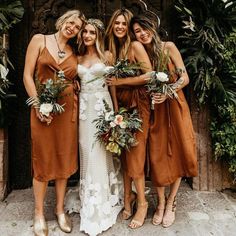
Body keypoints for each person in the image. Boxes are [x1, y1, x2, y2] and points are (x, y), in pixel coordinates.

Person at [130, 15, 198, 227]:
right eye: (137, 31)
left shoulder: (168, 47)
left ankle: (171, 203)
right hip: (154, 110)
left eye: (144, 28)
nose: (142, 34)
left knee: (177, 152)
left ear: (153, 27)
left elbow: (184, 78)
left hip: (174, 105)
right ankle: (159, 203)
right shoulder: (140, 53)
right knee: (158, 154)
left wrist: (168, 91)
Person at [23, 10, 85, 236]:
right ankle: (39, 213)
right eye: (71, 22)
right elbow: (27, 76)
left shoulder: (74, 52)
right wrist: (38, 105)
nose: (72, 28)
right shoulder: (39, 40)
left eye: (77, 27)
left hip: (67, 112)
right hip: (42, 110)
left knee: (64, 158)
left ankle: (60, 211)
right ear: (62, 21)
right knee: (42, 158)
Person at [65, 19, 123, 236]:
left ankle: (102, 201)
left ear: (98, 35)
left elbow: (113, 86)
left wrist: (116, 114)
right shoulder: (77, 57)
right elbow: (70, 80)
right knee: (86, 150)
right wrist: (74, 84)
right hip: (84, 111)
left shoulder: (107, 56)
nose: (87, 35)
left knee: (101, 150)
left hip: (103, 107)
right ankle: (89, 198)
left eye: (91, 32)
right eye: (85, 32)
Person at [105, 9, 152, 229]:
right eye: (117, 24)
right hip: (122, 108)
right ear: (112, 26)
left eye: (124, 23)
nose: (121, 27)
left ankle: (142, 203)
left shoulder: (135, 46)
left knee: (135, 155)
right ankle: (128, 198)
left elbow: (149, 75)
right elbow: (110, 84)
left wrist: (121, 83)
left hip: (138, 105)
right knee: (124, 156)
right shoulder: (112, 52)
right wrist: (115, 112)